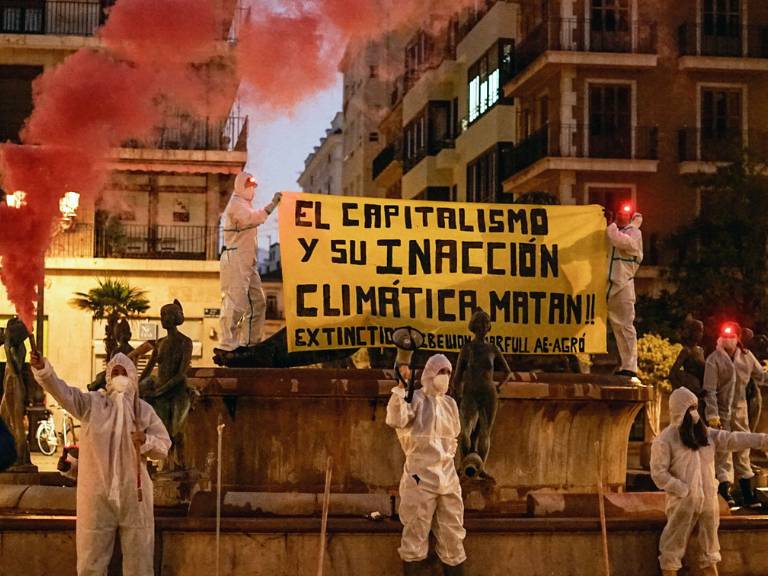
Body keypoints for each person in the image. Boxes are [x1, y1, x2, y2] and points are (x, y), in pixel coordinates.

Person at [30, 351, 171, 576]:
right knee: (90, 561)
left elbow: (164, 446)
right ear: (107, 376)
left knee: (140, 561)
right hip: (95, 495)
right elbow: (63, 393)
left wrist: (146, 441)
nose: (118, 376)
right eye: (114, 372)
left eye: (123, 372)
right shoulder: (92, 405)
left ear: (132, 375)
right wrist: (44, 371)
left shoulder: (143, 410)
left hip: (135, 495)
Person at [651, 387, 768, 576]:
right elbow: (658, 473)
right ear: (679, 411)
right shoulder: (665, 439)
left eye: (695, 407)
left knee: (710, 552)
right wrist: (682, 490)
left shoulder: (705, 435)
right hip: (683, 503)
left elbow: (733, 439)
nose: (694, 413)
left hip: (708, 503)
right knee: (671, 550)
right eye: (690, 408)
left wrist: (763, 440)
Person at [386, 354, 466, 575]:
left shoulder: (450, 404)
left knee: (453, 536)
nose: (446, 376)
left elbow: (453, 440)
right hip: (420, 478)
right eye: (441, 371)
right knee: (415, 535)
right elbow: (396, 419)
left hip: (448, 478)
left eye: (449, 372)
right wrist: (400, 388)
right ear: (430, 373)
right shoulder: (415, 399)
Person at [216, 171, 282, 355]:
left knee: (257, 302)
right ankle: (227, 344)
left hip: (247, 261)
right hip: (236, 258)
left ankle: (251, 343)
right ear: (241, 186)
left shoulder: (244, 205)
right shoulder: (236, 205)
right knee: (235, 302)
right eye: (250, 186)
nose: (252, 190)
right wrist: (273, 204)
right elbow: (255, 218)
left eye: (253, 187)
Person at [703, 323, 742, 506]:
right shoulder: (714, 359)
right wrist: (713, 414)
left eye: (732, 335)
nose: (728, 339)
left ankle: (745, 490)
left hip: (740, 412)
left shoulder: (745, 357)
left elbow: (758, 376)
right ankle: (724, 489)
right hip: (721, 413)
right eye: (725, 335)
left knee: (743, 451)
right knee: (722, 452)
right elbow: (709, 390)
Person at [606, 207, 643, 377]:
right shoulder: (615, 230)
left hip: (623, 286)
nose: (620, 216)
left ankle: (630, 366)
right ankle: (624, 364)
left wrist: (611, 224)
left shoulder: (634, 233)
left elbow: (621, 241)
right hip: (608, 286)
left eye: (624, 214)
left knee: (626, 327)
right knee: (615, 328)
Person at [669, 317, 706, 417]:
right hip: (690, 393)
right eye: (697, 331)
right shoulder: (686, 351)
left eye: (701, 331)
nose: (700, 334)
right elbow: (672, 373)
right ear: (691, 332)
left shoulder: (701, 350)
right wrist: (682, 390)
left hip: (700, 394)